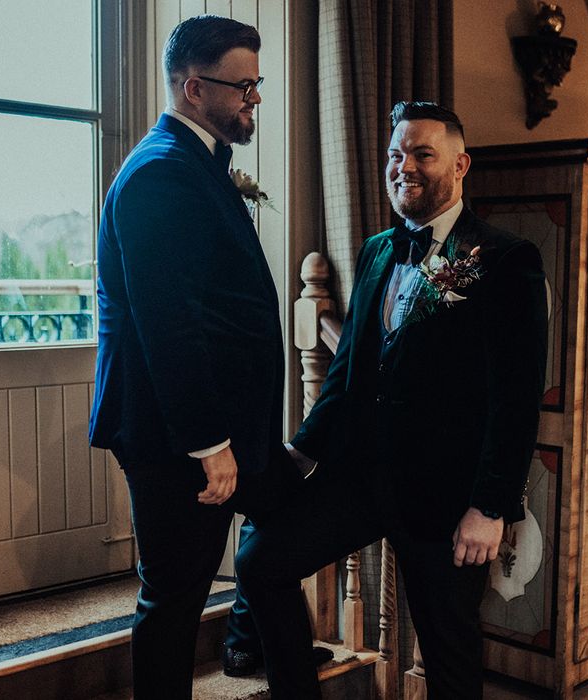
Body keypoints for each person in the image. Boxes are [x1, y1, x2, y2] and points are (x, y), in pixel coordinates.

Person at [235, 101, 548, 699]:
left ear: (460, 165)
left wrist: (491, 505)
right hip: (357, 480)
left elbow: (516, 396)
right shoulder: (378, 249)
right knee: (261, 562)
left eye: (422, 154)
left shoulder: (506, 259)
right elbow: (350, 369)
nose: (404, 166)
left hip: (446, 499)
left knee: (450, 654)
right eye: (395, 154)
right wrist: (301, 455)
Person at [89, 15, 304, 699]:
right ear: (192, 88)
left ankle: (261, 649)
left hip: (227, 432)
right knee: (174, 599)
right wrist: (209, 444)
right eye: (244, 87)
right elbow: (169, 324)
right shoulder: (159, 174)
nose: (255, 99)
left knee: (289, 520)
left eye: (257, 84)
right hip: (176, 438)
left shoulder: (194, 162)